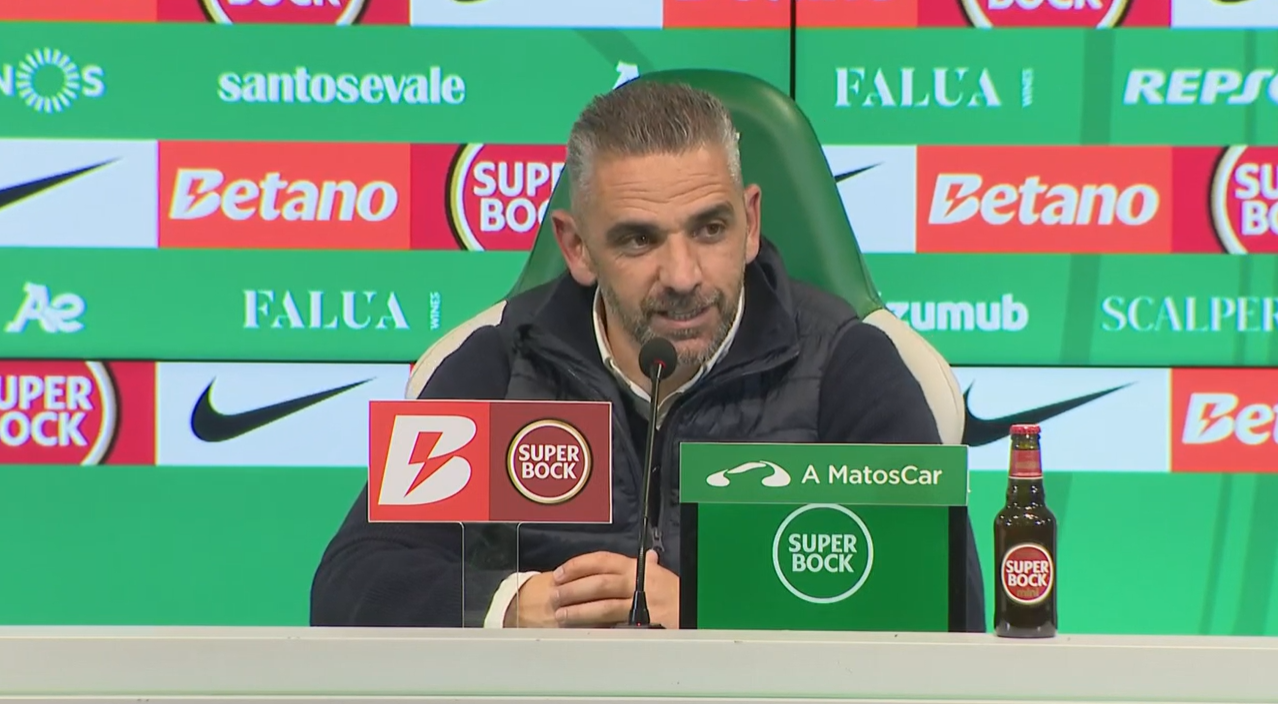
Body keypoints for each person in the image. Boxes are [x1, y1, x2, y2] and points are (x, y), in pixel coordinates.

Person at [310, 80, 986, 631]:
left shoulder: (847, 367)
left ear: (751, 223)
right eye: (639, 240)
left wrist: (708, 611)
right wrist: (516, 605)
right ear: (577, 247)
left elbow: (945, 608)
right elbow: (350, 584)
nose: (683, 275)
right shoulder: (499, 367)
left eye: (710, 229)